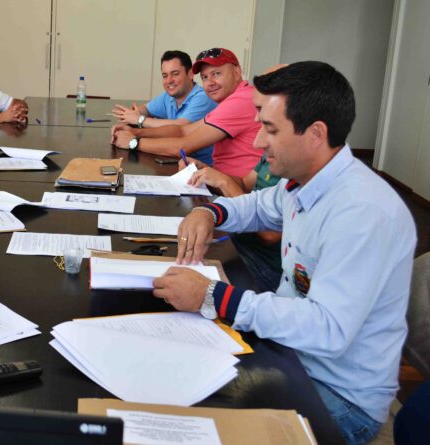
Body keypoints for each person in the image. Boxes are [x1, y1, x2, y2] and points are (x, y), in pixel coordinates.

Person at [153, 61, 416, 444]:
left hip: (337, 396)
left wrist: (214, 296)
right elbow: (257, 207)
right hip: (291, 356)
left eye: (270, 129)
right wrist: (208, 211)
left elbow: (327, 328)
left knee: (192, 423)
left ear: (315, 134)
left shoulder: (362, 213)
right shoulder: (305, 181)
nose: (258, 143)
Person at [112, 48, 263, 178]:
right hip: (222, 180)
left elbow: (182, 146)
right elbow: (182, 130)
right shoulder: (233, 99)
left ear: (237, 73)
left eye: (216, 74)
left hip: (240, 193)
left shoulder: (239, 101)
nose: (210, 82)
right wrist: (135, 132)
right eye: (205, 77)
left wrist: (133, 143)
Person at [180, 153, 282, 292]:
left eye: (273, 131)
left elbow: (269, 234)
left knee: (187, 284)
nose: (258, 142)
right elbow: (245, 184)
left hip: (263, 264)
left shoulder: (296, 172)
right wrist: (207, 174)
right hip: (238, 243)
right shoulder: (273, 154)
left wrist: (224, 182)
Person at [111, 50, 217, 165]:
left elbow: (181, 126)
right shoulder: (169, 96)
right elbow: (146, 109)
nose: (169, 80)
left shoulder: (203, 97)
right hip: (179, 161)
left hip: (204, 168)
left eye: (175, 74)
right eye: (165, 75)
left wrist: (139, 121)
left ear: (190, 73)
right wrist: (132, 116)